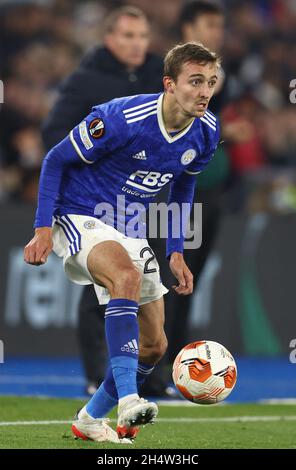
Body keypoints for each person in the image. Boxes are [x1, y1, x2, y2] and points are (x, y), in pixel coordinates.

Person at [24, 42, 220, 444]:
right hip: (79, 212)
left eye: (211, 82)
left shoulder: (206, 132)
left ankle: (90, 418)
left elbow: (184, 186)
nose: (204, 91)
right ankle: (130, 398)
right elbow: (55, 161)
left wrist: (177, 251)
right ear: (170, 84)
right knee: (125, 278)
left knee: (154, 346)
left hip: (129, 225)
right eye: (195, 81)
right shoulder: (121, 117)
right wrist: (43, 227)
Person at [42, 6, 164, 395]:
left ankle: (153, 374)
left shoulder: (158, 77)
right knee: (101, 287)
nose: (136, 44)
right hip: (92, 202)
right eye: (128, 36)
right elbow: (55, 135)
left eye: (142, 36)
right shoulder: (85, 81)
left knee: (152, 283)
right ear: (109, 39)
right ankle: (98, 374)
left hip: (142, 200)